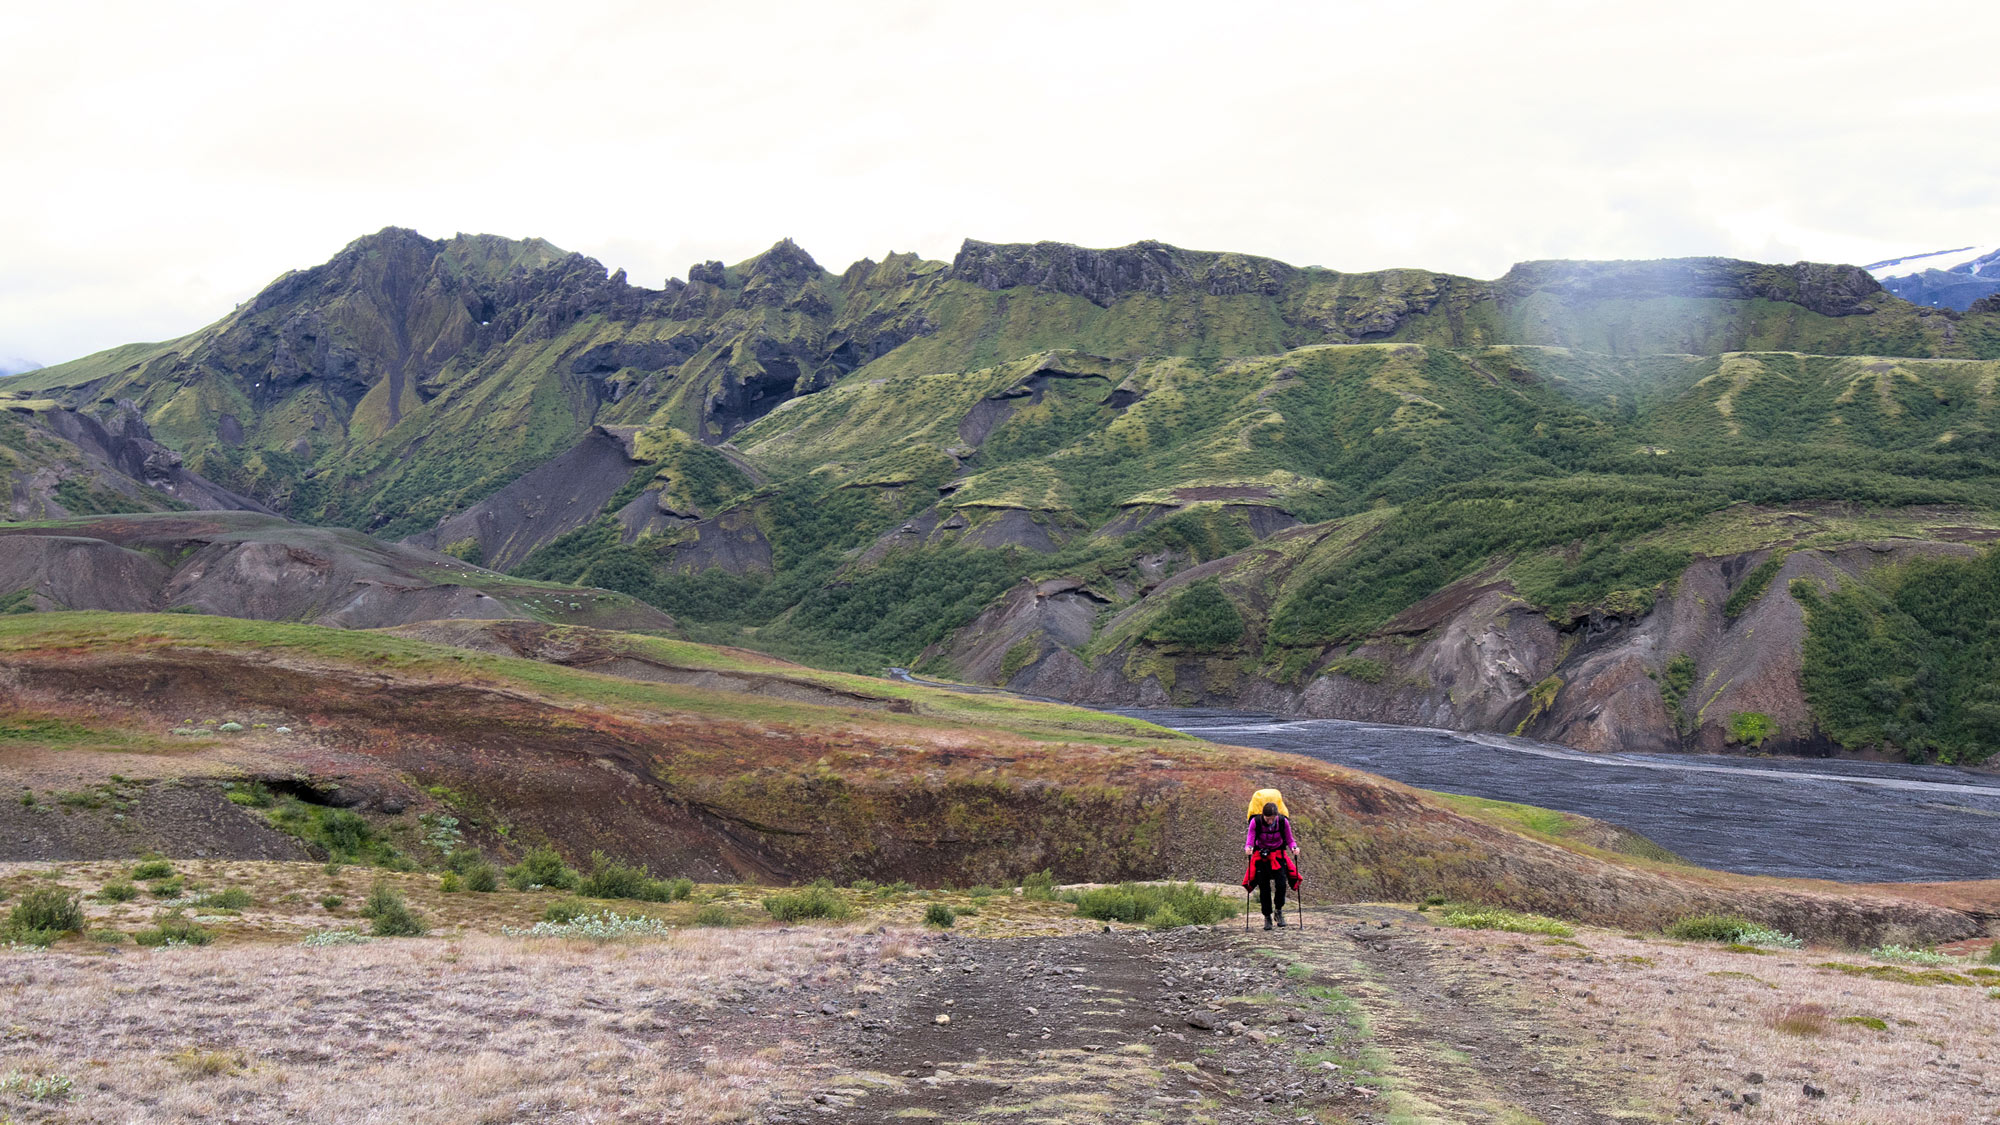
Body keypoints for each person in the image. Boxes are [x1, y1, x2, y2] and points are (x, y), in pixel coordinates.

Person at [1243, 801, 1299, 930]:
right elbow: (1250, 840)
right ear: (1263, 815)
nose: (1270, 821)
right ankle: (1267, 916)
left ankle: (1278, 911)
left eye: (1272, 819)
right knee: (1264, 888)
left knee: (1281, 884)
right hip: (1261, 858)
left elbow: (1290, 839)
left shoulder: (1283, 822)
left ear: (1277, 816)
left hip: (1278, 855)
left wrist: (1294, 848)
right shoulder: (1255, 822)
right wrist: (1249, 848)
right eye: (1268, 819)